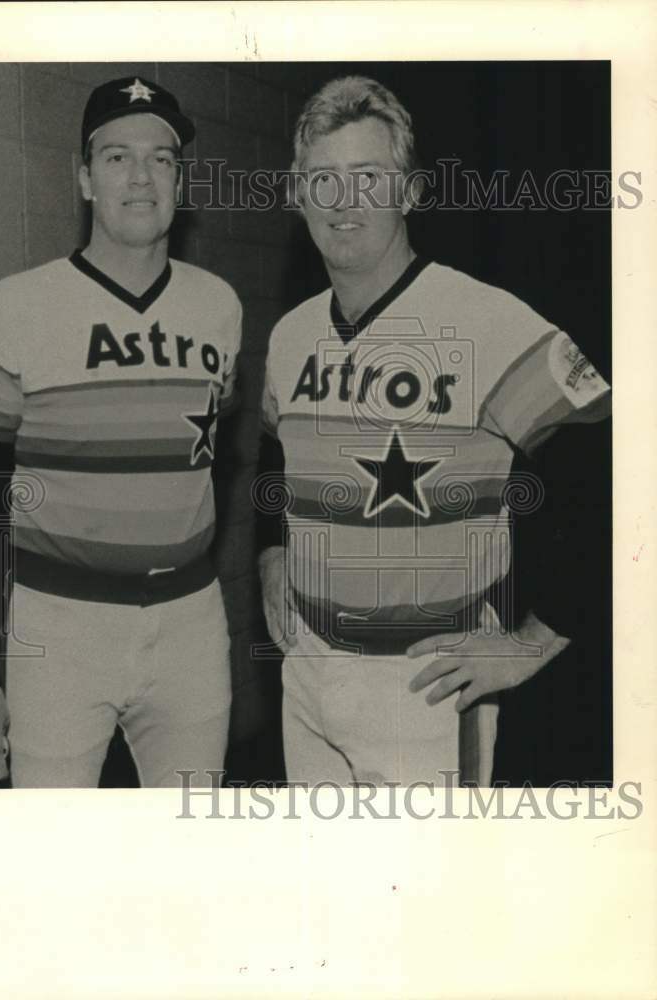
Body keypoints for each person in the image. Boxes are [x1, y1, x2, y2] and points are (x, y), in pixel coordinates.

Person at [256, 75, 611, 787]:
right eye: (322, 179)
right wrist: (270, 554)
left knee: (425, 896)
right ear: (297, 195)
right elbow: (273, 451)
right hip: (307, 674)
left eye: (368, 176)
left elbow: (616, 465)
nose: (344, 200)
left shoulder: (485, 319)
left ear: (411, 191)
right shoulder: (291, 334)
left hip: (425, 684)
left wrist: (533, 643)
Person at [0, 76, 242, 788]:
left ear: (179, 178)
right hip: (58, 628)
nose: (141, 176)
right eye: (116, 157)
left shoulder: (221, 307)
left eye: (162, 158)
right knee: (52, 860)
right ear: (83, 177)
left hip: (192, 623)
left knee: (193, 848)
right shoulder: (12, 307)